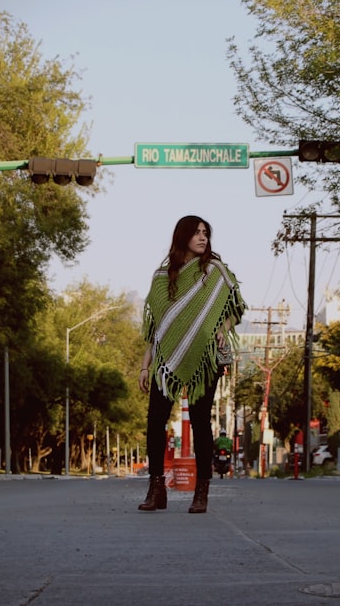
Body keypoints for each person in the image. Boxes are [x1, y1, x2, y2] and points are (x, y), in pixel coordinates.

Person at [137, 215, 246, 513]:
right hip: (165, 360)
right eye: (197, 232)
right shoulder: (161, 278)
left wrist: (222, 328)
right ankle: (156, 489)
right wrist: (145, 365)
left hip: (205, 356)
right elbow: (156, 329)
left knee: (200, 422)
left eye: (206, 233)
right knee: (155, 421)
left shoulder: (215, 271)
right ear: (182, 235)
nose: (202, 238)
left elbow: (236, 307)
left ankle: (202, 492)